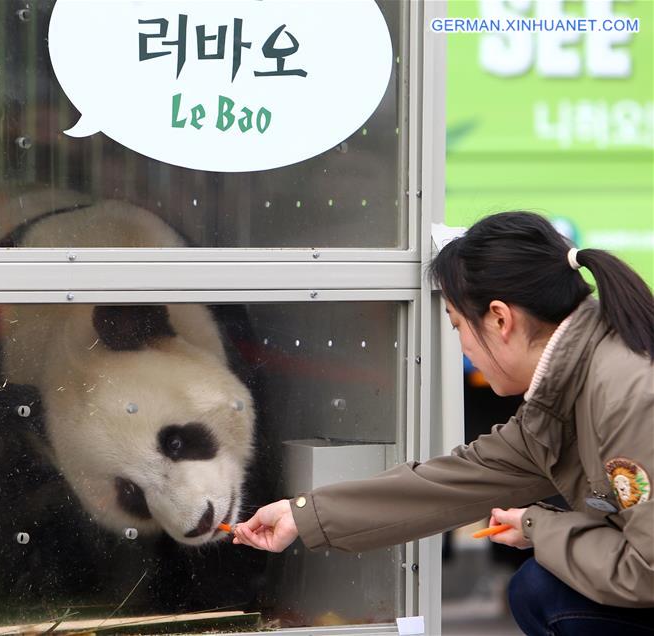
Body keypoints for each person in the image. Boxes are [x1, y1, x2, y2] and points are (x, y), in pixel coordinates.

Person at [232, 212, 654, 635]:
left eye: (457, 324)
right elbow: (454, 481)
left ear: (500, 319)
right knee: (538, 589)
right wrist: (303, 515)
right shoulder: (564, 392)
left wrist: (538, 526)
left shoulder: (628, 394)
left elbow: (647, 571)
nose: (463, 345)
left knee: (540, 589)